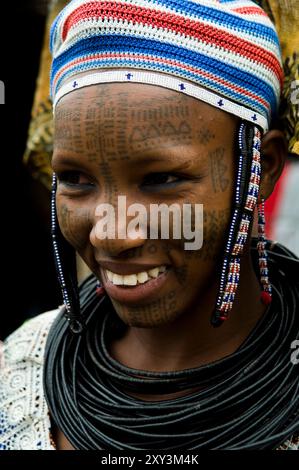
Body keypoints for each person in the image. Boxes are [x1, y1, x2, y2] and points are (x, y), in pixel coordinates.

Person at [0, 0, 298, 451]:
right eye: (76, 180)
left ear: (264, 166)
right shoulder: (18, 371)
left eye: (161, 180)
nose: (111, 233)